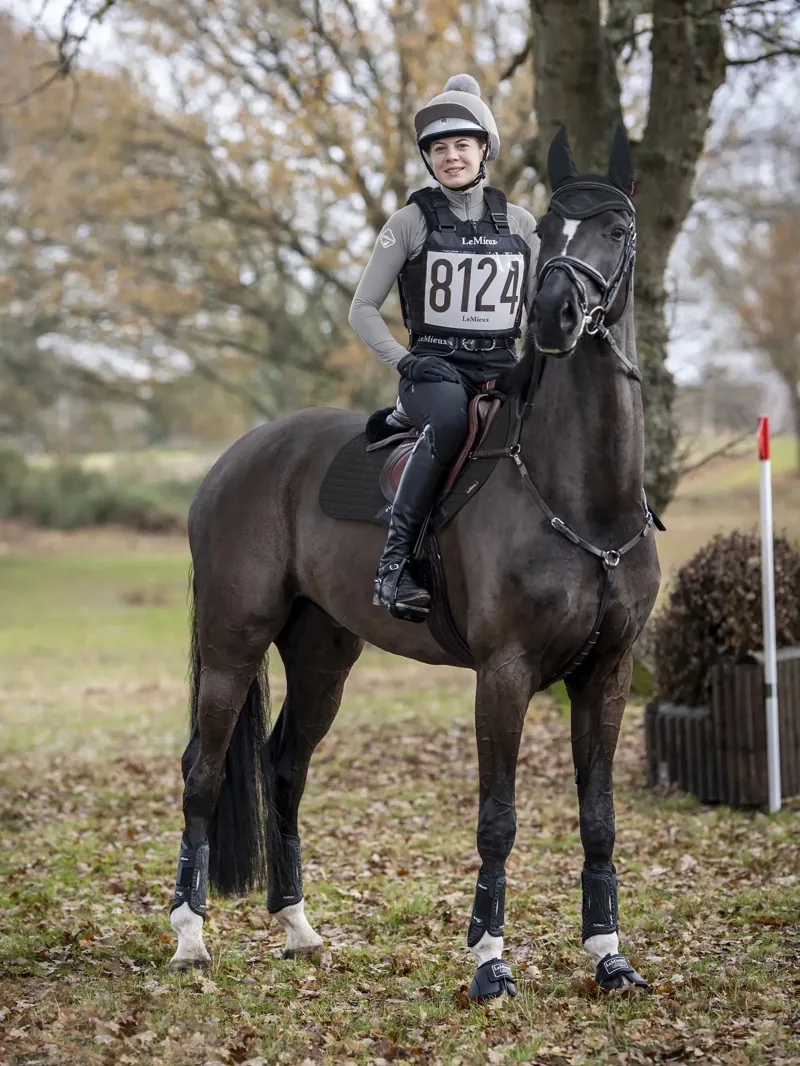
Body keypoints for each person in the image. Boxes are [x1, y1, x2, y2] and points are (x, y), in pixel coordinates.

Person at [348, 74, 538, 622]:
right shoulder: (408, 222)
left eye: (461, 145)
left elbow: (538, 312)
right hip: (434, 372)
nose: (450, 157)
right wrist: (405, 360)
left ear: (484, 150)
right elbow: (362, 308)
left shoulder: (522, 224)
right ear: (428, 160)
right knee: (452, 425)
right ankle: (393, 565)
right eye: (439, 149)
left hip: (502, 368)